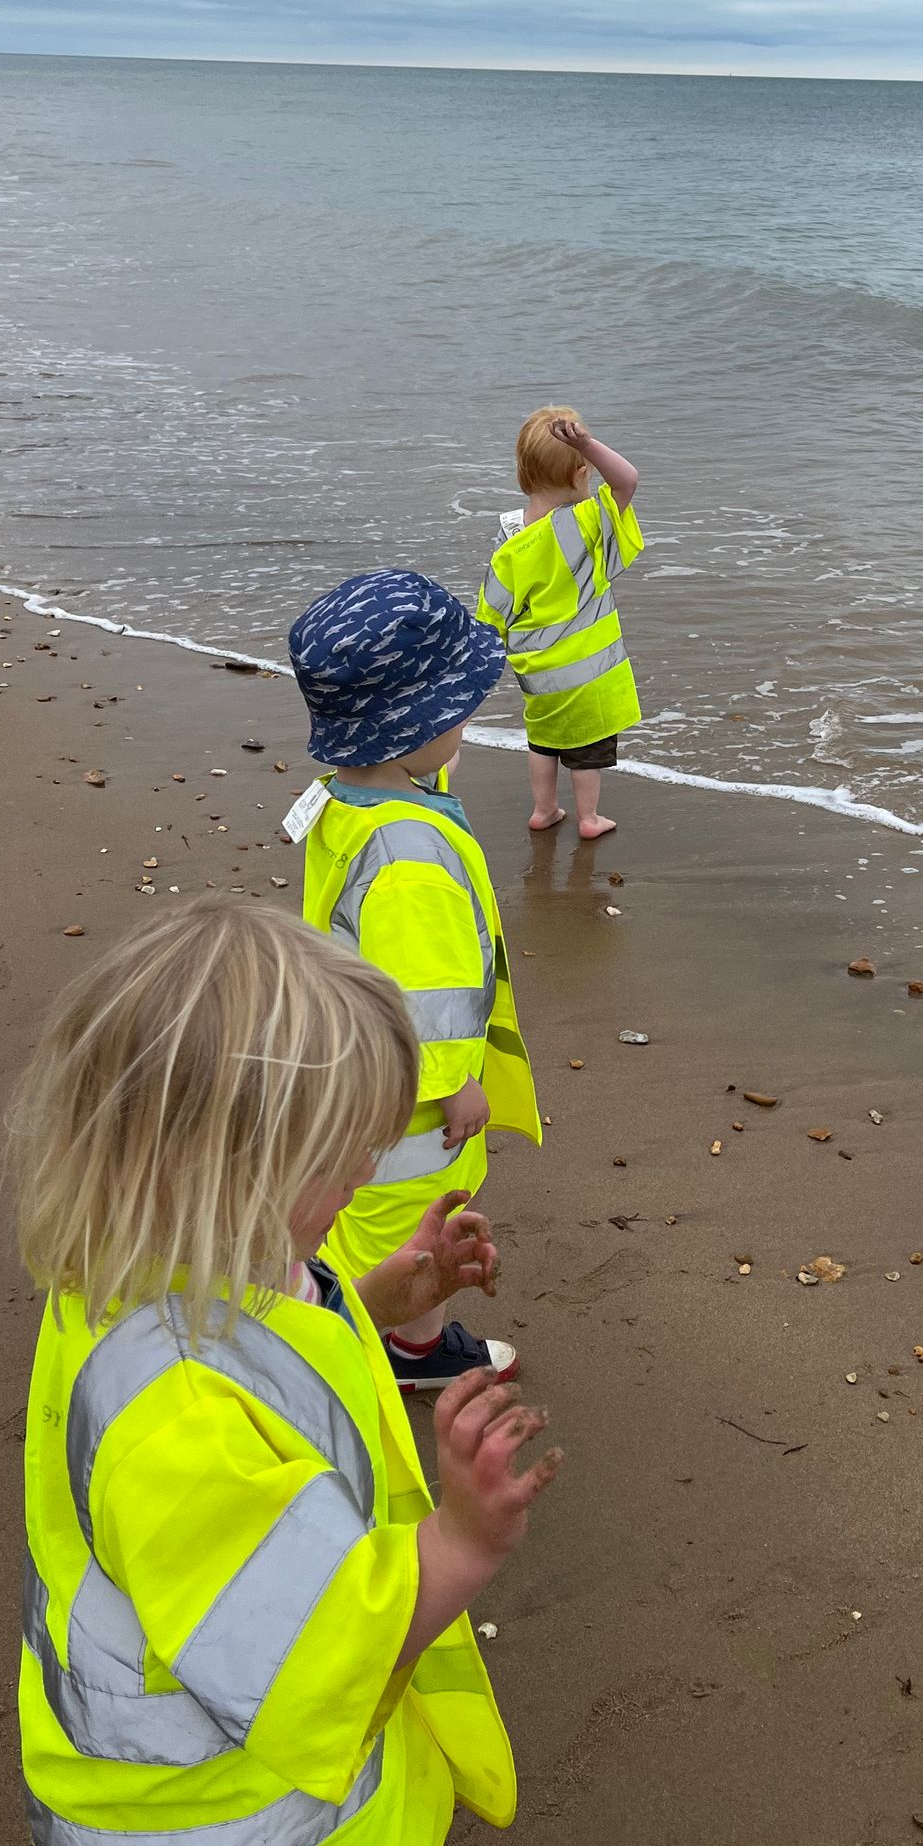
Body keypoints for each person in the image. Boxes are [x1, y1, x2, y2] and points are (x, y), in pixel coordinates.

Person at [12, 898, 562, 1846]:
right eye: (342, 1150)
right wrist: (461, 1543)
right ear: (226, 1172)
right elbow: (315, 1643)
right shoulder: (171, 1420)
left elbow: (271, 1356)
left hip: (274, 1812)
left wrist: (387, 1301)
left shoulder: (188, 1261)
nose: (370, 1165)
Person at [287, 567, 540, 1389]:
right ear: (413, 728)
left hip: (360, 1083)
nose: (465, 723)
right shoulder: (410, 860)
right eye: (455, 711)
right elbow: (423, 997)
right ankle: (395, 1354)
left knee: (364, 1221)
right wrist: (451, 1086)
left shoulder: (351, 802)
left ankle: (368, 1334)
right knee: (416, 1232)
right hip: (415, 1112)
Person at [478, 406, 643, 838]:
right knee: (588, 749)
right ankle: (589, 818)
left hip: (538, 671)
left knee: (543, 741)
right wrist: (586, 444)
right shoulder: (588, 522)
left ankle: (543, 810)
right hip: (590, 672)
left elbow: (493, 606)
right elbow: (627, 479)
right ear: (579, 475)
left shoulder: (511, 533)